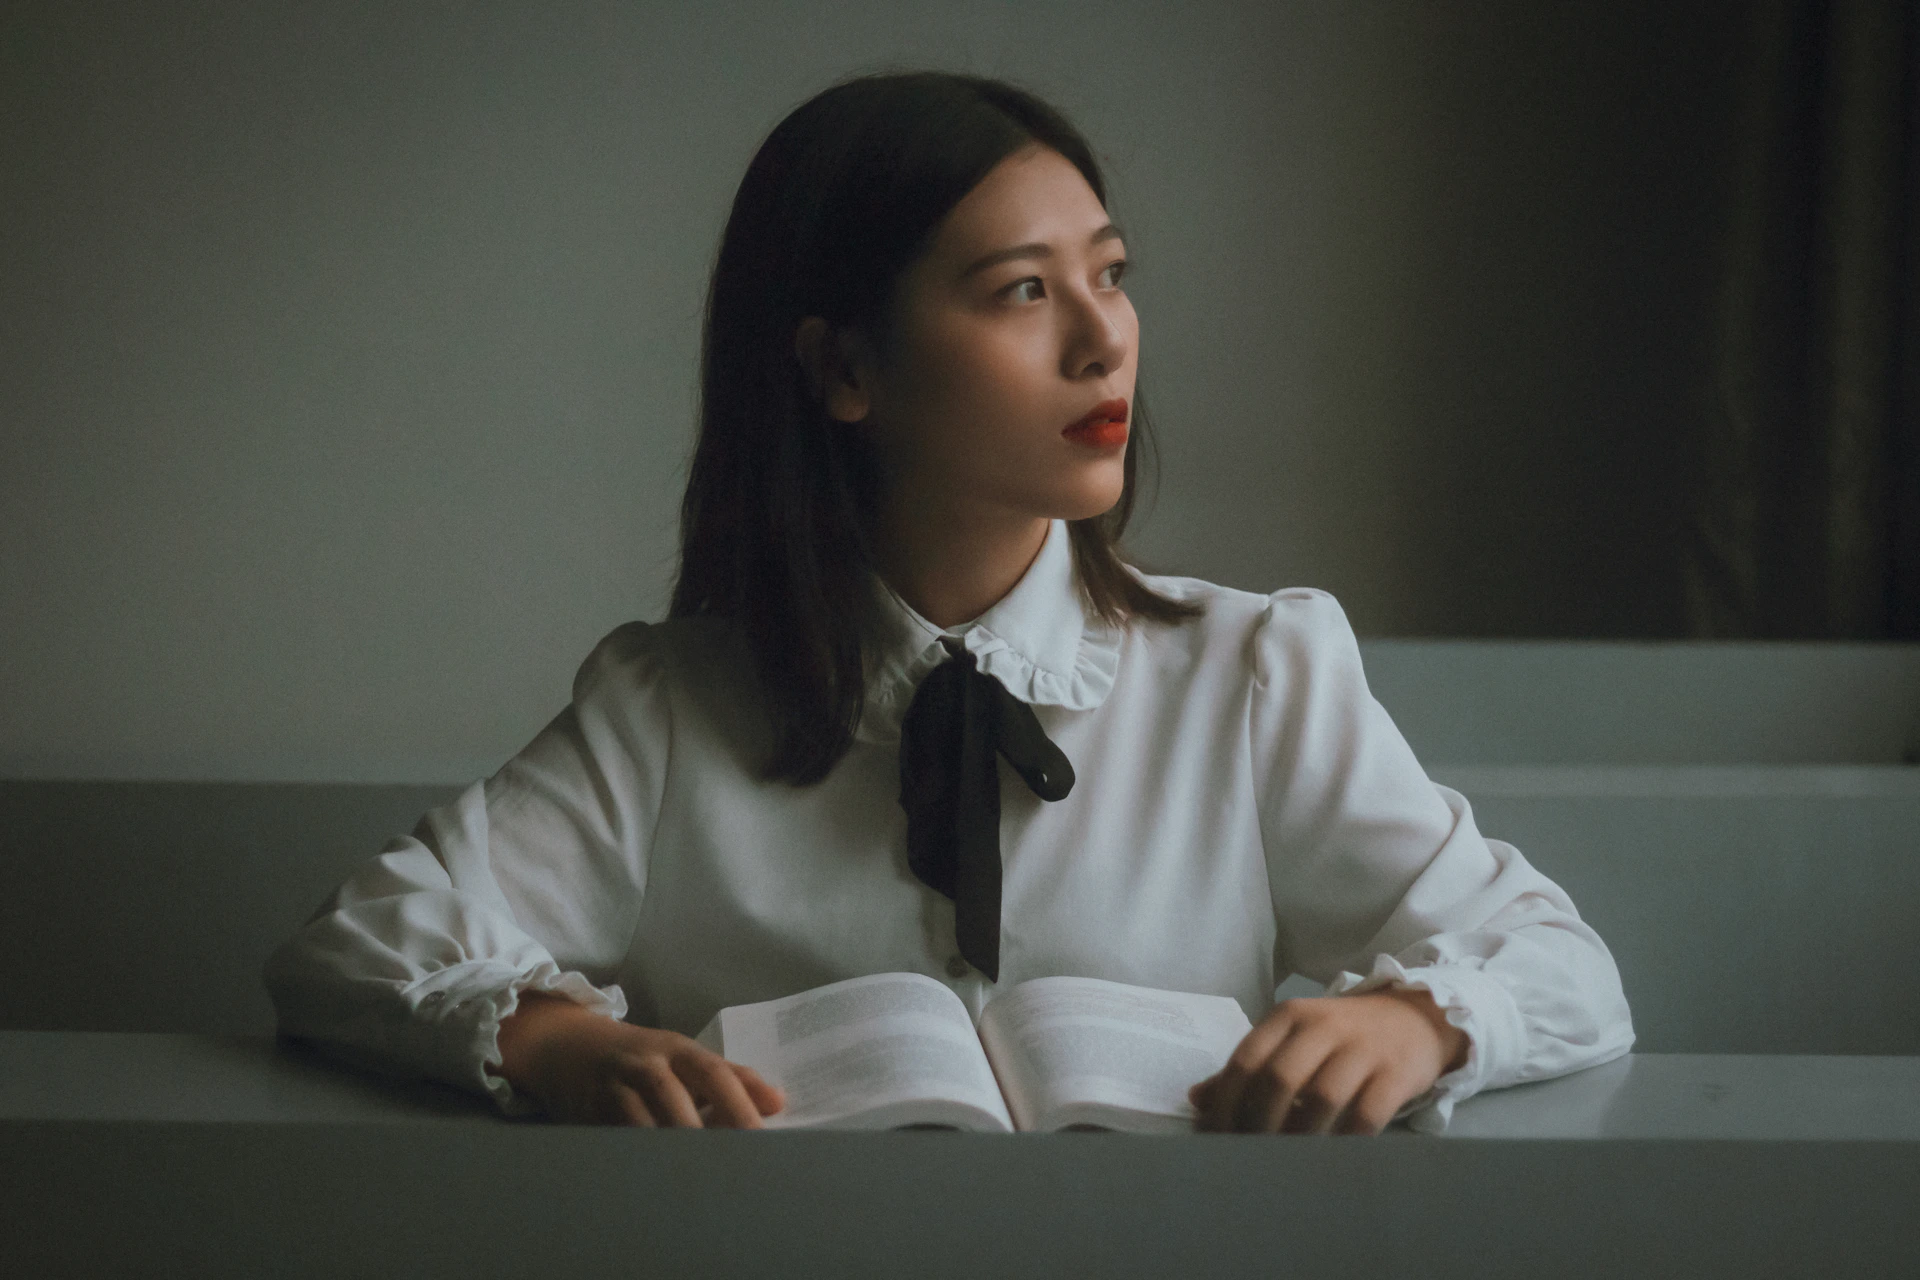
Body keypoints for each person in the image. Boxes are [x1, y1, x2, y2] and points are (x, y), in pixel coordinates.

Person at [263, 70, 1634, 1137]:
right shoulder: (672, 707)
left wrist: (1415, 1025)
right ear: (844, 368)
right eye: (1024, 292)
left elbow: (1567, 969)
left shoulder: (1256, 673)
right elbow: (352, 944)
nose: (1104, 341)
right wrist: (555, 1045)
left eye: (1109, 276)